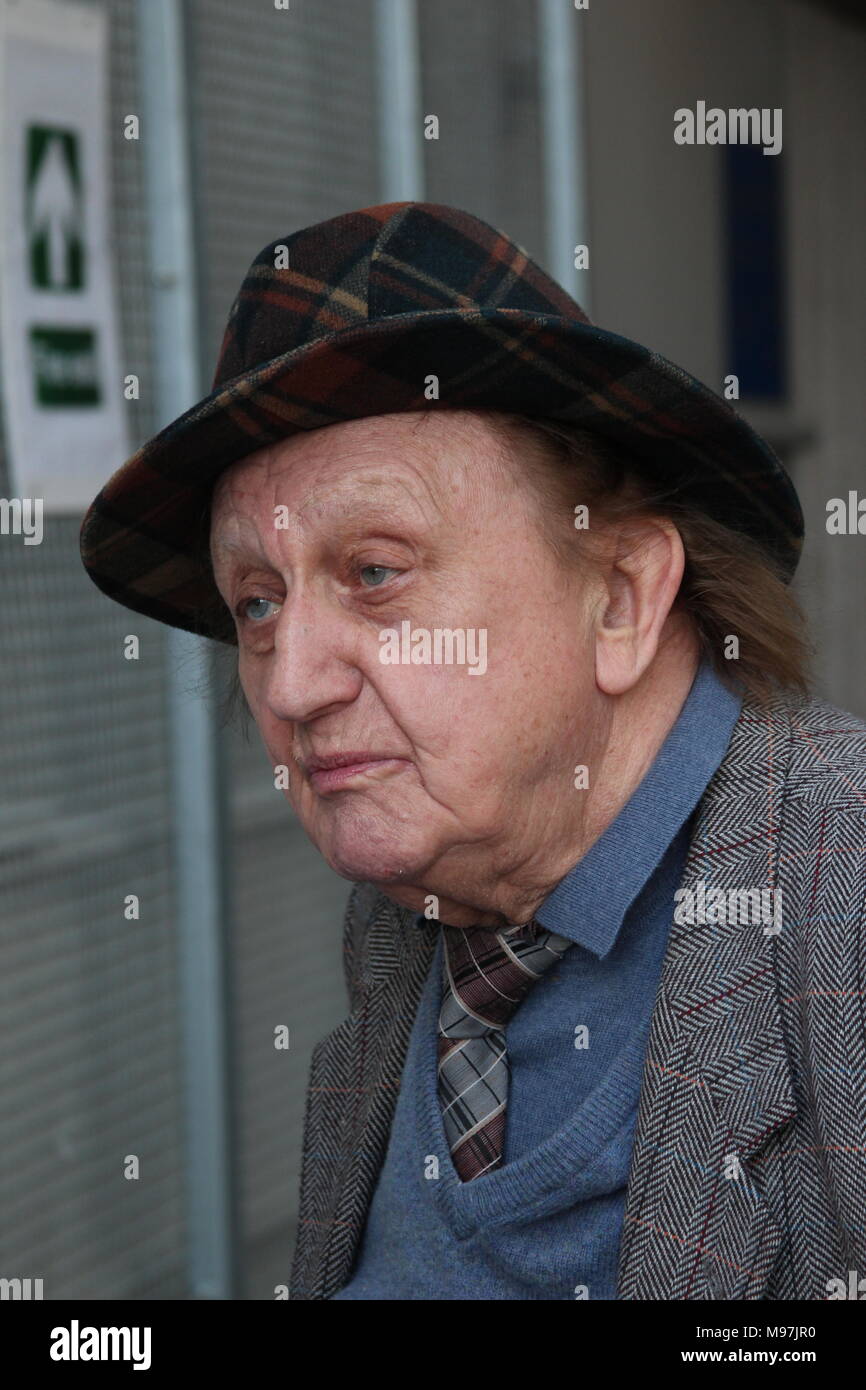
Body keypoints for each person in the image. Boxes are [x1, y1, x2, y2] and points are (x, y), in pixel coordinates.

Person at [80, 202, 866, 1301]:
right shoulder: (417, 912)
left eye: (374, 572)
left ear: (620, 598)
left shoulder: (839, 898)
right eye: (255, 603)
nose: (294, 683)